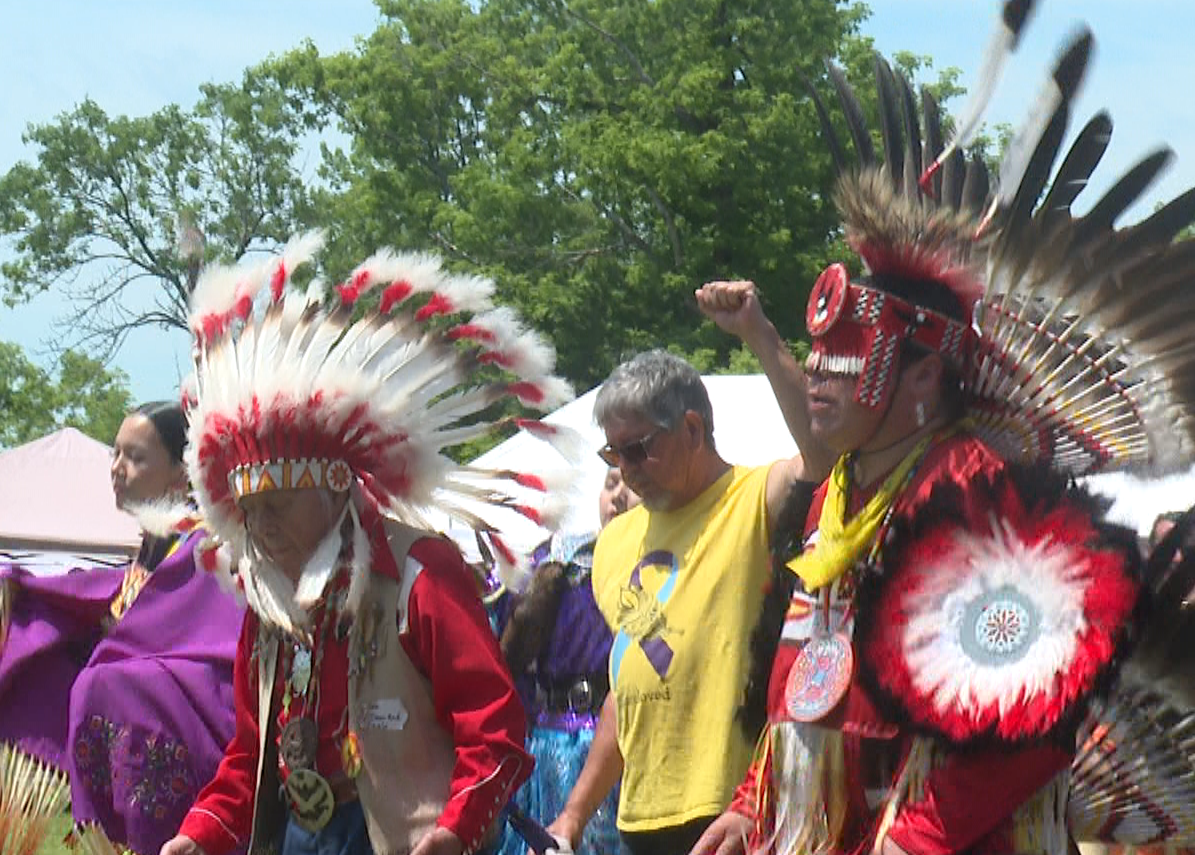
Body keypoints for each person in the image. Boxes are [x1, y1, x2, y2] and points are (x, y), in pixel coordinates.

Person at [687, 0, 1195, 853]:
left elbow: (1039, 709)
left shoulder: (976, 492)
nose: (819, 378)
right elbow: (807, 680)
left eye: (845, 359)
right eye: (814, 359)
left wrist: (914, 836)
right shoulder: (846, 495)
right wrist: (754, 802)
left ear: (919, 379)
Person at [160, 237, 564, 855]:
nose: (261, 528)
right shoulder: (270, 613)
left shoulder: (417, 574)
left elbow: (496, 732)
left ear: (333, 490)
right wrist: (199, 834)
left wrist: (455, 831)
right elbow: (250, 756)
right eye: (248, 512)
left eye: (277, 504)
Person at [0, 401, 247, 855]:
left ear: (181, 473)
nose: (116, 468)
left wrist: (118, 677)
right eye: (115, 453)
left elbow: (217, 657)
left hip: (194, 760)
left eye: (135, 458)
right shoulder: (151, 551)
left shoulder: (201, 551)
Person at [547, 349, 832, 855]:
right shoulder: (613, 543)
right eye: (612, 455)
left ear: (693, 430)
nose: (626, 471)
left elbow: (824, 452)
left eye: (636, 450)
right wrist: (571, 816)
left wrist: (755, 333)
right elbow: (627, 689)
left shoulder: (753, 497)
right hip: (640, 816)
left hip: (737, 812)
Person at [493, 467, 641, 855]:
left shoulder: (665, 570)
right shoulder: (556, 563)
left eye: (631, 485)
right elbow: (511, 671)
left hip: (623, 746)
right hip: (549, 749)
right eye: (610, 484)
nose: (618, 497)